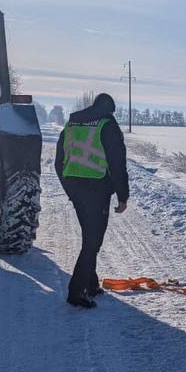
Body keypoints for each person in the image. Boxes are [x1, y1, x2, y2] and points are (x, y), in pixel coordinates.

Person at [56, 93, 129, 308]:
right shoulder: (107, 126)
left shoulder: (71, 124)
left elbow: (59, 161)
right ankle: (76, 292)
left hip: (76, 187)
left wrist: (69, 187)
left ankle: (91, 282)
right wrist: (123, 196)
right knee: (93, 240)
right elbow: (117, 164)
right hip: (96, 188)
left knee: (90, 234)